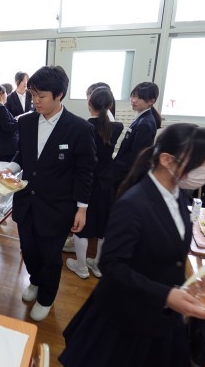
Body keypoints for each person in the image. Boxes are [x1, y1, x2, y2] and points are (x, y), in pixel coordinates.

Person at [59, 123, 205, 367]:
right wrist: (166, 295)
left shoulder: (177, 194)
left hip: (158, 313)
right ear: (167, 160)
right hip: (126, 315)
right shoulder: (134, 204)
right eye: (200, 164)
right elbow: (112, 266)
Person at [0, 66, 96, 321]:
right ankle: (35, 280)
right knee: (29, 250)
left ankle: (47, 296)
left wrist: (82, 208)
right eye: (33, 95)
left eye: (41, 96)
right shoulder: (27, 122)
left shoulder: (79, 128)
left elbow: (85, 172)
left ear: (59, 94)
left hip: (57, 207)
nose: (35, 101)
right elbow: (23, 154)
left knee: (50, 256)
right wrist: (9, 169)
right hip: (26, 201)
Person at [66, 87, 124, 279]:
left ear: (89, 103)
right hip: (106, 183)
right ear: (110, 105)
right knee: (103, 225)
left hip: (86, 181)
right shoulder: (117, 127)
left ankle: (81, 266)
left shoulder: (83, 126)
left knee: (81, 226)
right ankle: (98, 265)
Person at [112, 81, 162, 190]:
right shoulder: (141, 118)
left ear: (151, 101)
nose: (134, 100)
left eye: (139, 98)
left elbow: (137, 156)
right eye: (133, 96)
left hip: (126, 174)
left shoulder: (145, 123)